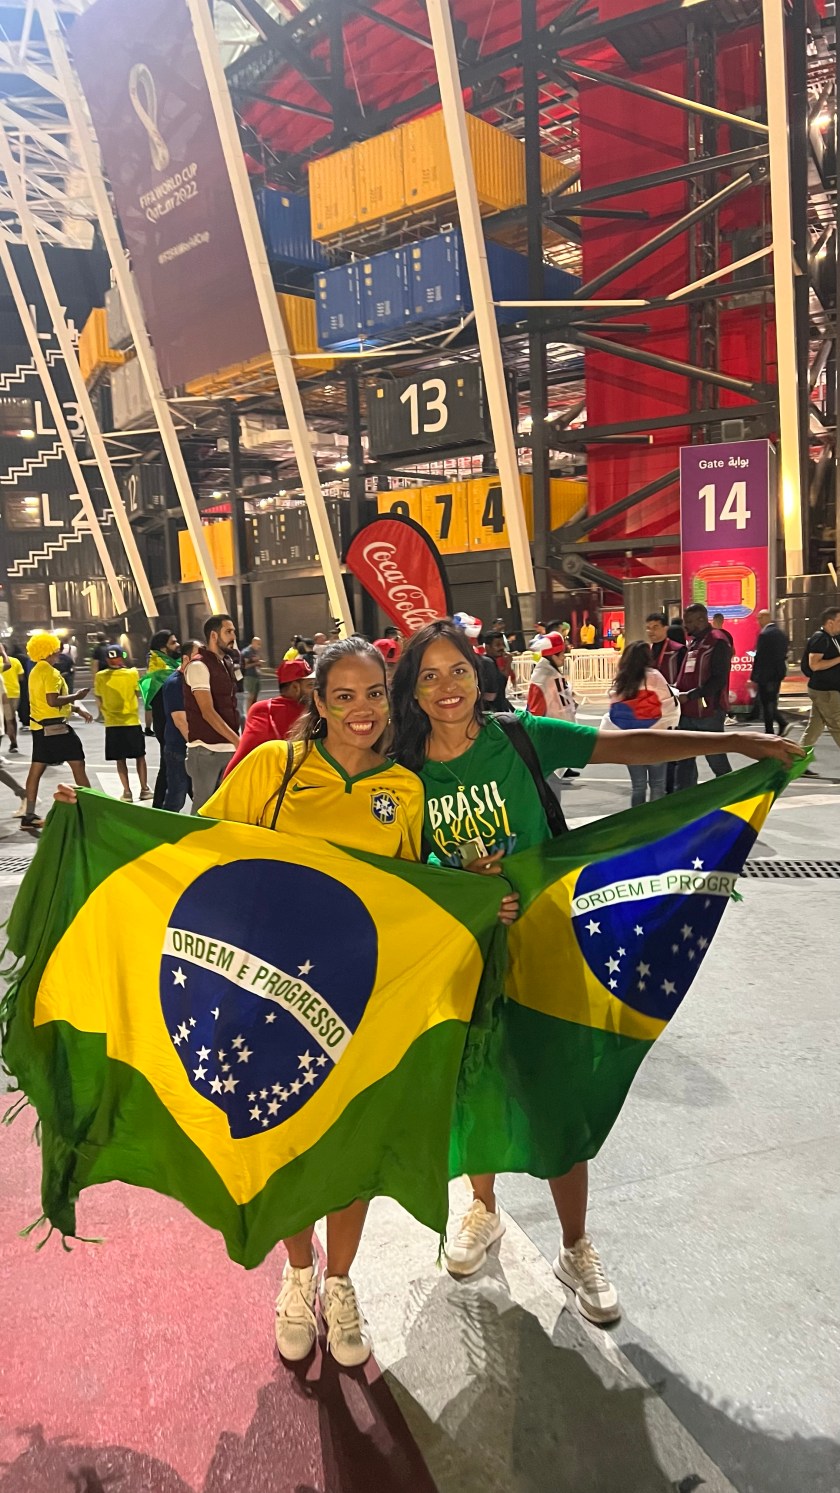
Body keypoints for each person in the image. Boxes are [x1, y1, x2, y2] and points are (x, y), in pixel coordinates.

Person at [390, 620, 801, 1323]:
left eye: (457, 670)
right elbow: (400, 861)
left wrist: (736, 742)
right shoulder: (403, 768)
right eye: (429, 676)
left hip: (547, 945)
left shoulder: (519, 737)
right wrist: (457, 882)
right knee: (474, 1078)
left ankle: (575, 1244)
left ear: (479, 675)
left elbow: (627, 745)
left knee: (557, 1085)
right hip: (466, 952)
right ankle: (482, 1207)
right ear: (413, 690)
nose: (446, 687)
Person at [199, 638, 427, 1369]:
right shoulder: (275, 765)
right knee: (289, 1138)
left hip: (359, 995)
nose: (362, 710)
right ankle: (299, 1275)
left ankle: (340, 1280)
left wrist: (482, 894)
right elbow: (199, 843)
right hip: (272, 992)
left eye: (374, 694)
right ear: (318, 702)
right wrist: (97, 816)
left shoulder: (405, 788)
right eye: (345, 695)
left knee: (351, 1144)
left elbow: (415, 890)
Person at [20, 632, 92, 833]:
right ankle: (90, 807)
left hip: (39, 727)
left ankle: (29, 815)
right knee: (78, 763)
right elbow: (52, 701)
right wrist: (76, 697)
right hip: (56, 729)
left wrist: (76, 709)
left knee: (36, 769)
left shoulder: (36, 670)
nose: (59, 652)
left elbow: (44, 702)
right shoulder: (51, 673)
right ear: (49, 650)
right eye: (57, 649)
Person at [600, 641, 680, 806]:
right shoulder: (655, 676)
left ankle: (636, 817)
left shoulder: (622, 679)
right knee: (658, 784)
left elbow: (615, 712)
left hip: (631, 740)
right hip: (656, 738)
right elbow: (669, 704)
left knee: (638, 786)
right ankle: (655, 818)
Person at [182, 614, 240, 813]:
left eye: (233, 631)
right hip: (205, 750)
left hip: (227, 747)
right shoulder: (198, 665)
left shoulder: (227, 662)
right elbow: (207, 712)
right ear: (214, 636)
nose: (233, 636)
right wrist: (238, 741)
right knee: (203, 808)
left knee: (226, 807)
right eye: (228, 632)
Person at [672, 604, 733, 790]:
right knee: (684, 759)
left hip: (709, 711)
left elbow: (719, 679)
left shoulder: (718, 641)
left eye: (689, 622)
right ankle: (684, 796)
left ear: (701, 620)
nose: (686, 626)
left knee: (716, 758)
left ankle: (732, 793)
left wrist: (691, 695)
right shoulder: (695, 642)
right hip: (688, 710)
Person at [222, 658, 315, 777]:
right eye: (310, 685)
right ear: (295, 688)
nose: (315, 690)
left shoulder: (260, 708)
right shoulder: (308, 714)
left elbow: (242, 756)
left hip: (243, 780)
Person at [95, 646, 151, 803]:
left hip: (112, 723)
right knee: (140, 756)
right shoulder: (132, 673)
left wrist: (104, 713)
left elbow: (98, 697)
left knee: (120, 759)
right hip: (131, 721)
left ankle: (127, 792)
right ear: (122, 657)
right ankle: (144, 789)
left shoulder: (100, 676)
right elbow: (138, 693)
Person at [160, 640, 202, 813]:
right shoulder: (175, 683)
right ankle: (167, 826)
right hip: (179, 748)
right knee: (176, 797)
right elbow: (180, 721)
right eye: (198, 657)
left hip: (193, 747)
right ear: (186, 659)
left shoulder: (195, 680)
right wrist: (196, 745)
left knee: (202, 795)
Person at [142, 629, 181, 809]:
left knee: (169, 765)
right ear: (162, 647)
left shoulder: (168, 664)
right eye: (173, 642)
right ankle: (158, 806)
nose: (178, 645)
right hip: (166, 724)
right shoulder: (161, 669)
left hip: (169, 723)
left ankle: (159, 806)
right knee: (168, 765)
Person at [801, 606, 840, 757]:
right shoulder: (820, 638)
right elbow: (815, 665)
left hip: (825, 690)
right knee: (837, 725)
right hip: (825, 691)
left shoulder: (833, 638)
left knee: (814, 728)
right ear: (830, 622)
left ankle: (797, 759)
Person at [750, 609, 790, 737]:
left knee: (766, 702)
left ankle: (772, 729)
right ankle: (779, 725)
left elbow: (760, 657)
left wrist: (753, 676)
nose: (758, 621)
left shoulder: (764, 635)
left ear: (765, 618)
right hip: (778, 672)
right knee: (771, 701)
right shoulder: (781, 633)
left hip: (766, 674)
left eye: (759, 618)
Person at [526, 633, 577, 722]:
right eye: (562, 654)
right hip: (553, 726)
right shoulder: (541, 678)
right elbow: (535, 713)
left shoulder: (549, 673)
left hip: (560, 724)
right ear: (553, 656)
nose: (564, 657)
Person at [644, 613, 683, 686]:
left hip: (671, 690)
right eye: (648, 628)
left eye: (655, 627)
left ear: (665, 628)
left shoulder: (678, 650)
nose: (650, 631)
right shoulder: (645, 650)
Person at [482, 632, 513, 712]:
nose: (502, 648)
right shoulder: (486, 663)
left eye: (503, 644)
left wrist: (508, 663)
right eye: (498, 645)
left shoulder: (493, 661)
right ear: (487, 647)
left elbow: (501, 684)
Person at [0, 647, 23, 752]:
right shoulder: (15, 661)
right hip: (15, 692)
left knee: (7, 720)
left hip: (3, 694)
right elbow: (21, 677)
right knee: (12, 719)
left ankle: (13, 743)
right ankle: (14, 742)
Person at [240, 636, 264, 715]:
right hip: (249, 676)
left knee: (255, 696)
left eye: (260, 644)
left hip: (256, 675)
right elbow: (245, 666)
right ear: (253, 643)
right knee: (250, 696)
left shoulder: (255, 651)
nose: (259, 646)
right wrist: (256, 663)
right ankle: (248, 714)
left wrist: (259, 664)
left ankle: (253, 712)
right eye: (258, 644)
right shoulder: (247, 652)